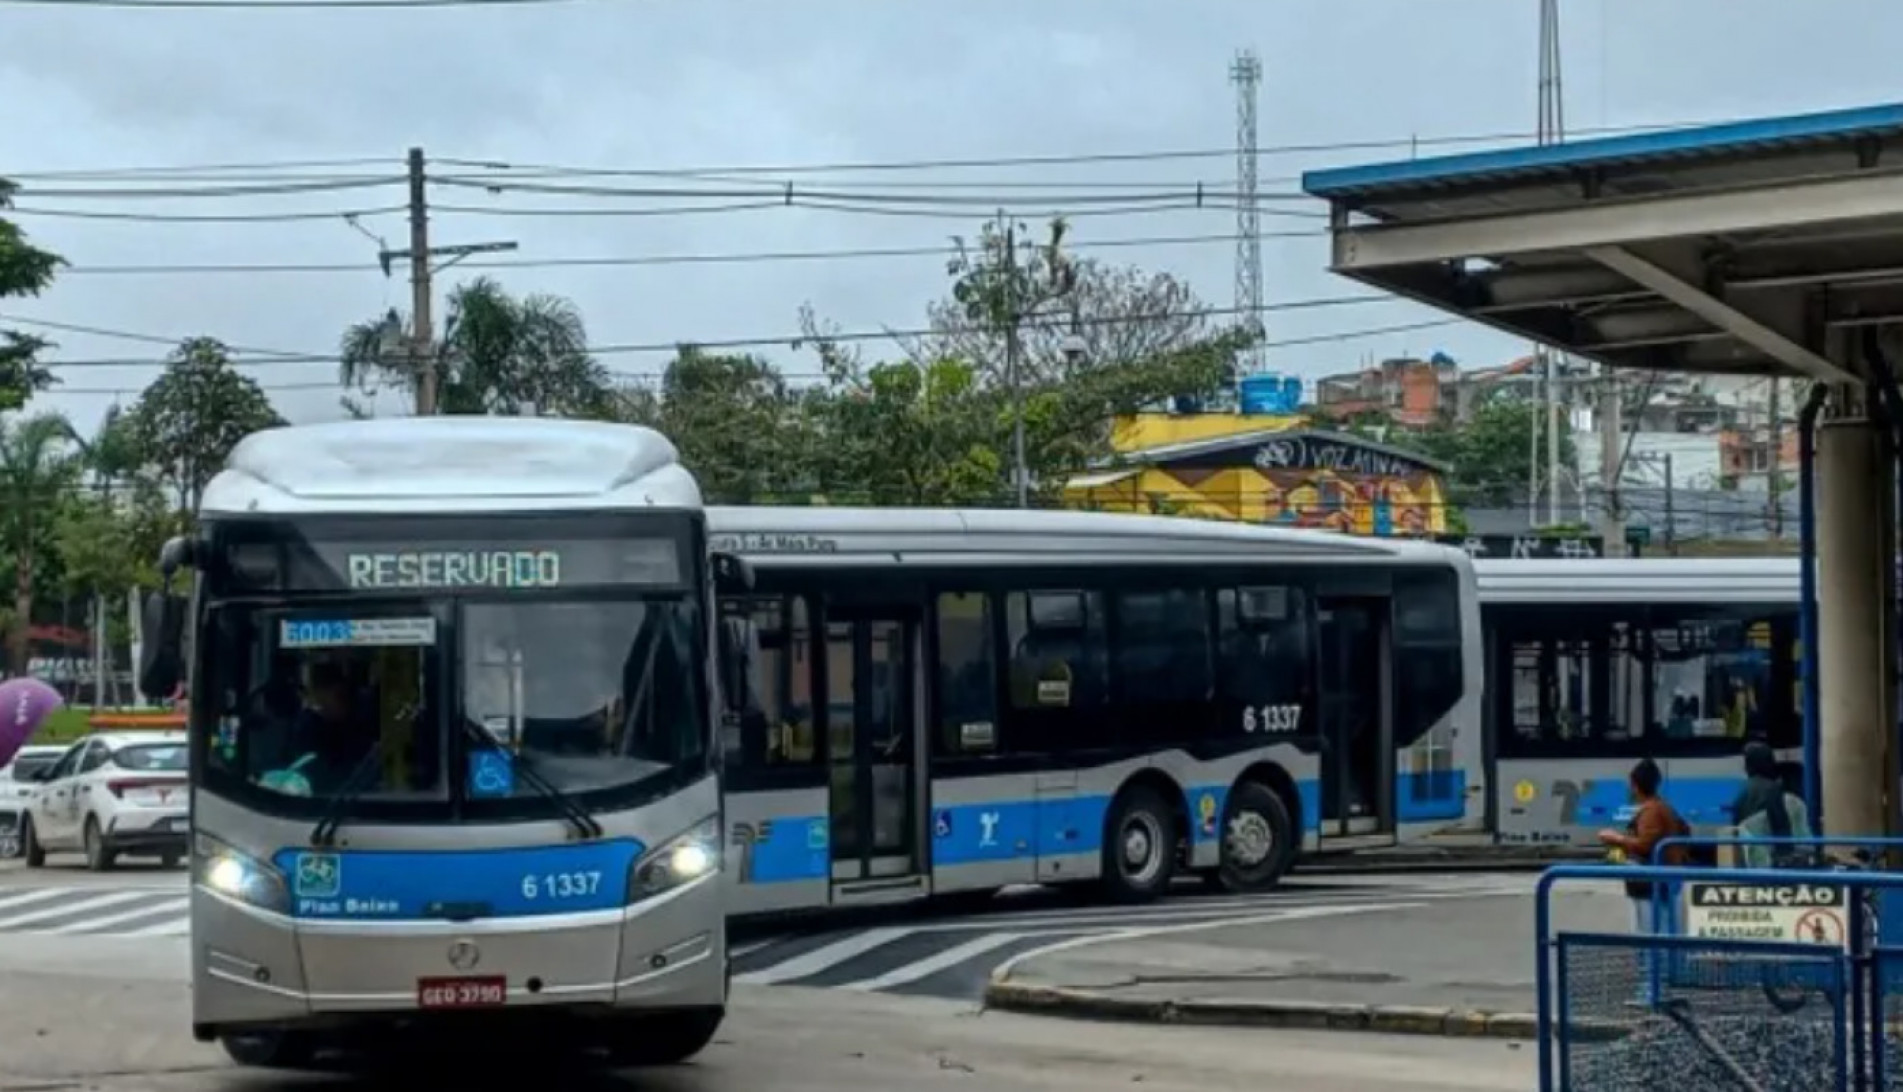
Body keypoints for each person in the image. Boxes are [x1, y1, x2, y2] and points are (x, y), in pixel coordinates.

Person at [1598, 758, 1691, 933]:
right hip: (1665, 882)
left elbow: (1644, 845)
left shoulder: (1651, 811)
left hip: (1652, 886)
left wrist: (1615, 838)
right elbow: (1684, 830)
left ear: (1635, 786)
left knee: (1651, 933)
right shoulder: (1663, 807)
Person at [1731, 740, 1815, 868]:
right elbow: (1780, 823)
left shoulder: (1743, 790)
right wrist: (1786, 853)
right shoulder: (1773, 789)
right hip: (1768, 854)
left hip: (1749, 852)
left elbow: (1737, 822)